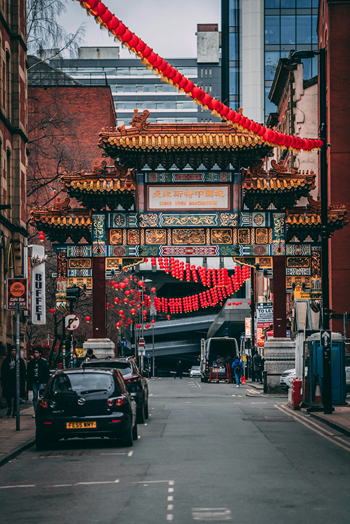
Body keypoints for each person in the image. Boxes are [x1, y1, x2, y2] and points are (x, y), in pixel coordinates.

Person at [1, 346, 26, 417]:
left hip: (16, 381)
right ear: (10, 351)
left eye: (15, 350)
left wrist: (22, 380)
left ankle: (15, 410)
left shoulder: (20, 360)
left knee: (16, 396)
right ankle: (9, 408)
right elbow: (3, 371)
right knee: (8, 396)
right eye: (12, 350)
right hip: (8, 381)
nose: (13, 352)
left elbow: (23, 371)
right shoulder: (6, 360)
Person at [27, 348, 49, 414]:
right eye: (34, 353)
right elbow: (29, 372)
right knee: (35, 396)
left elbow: (46, 372)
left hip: (41, 381)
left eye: (36, 352)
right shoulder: (31, 362)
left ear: (39, 353)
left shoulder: (43, 361)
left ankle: (42, 411)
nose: (35, 354)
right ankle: (36, 411)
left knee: (42, 396)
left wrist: (45, 381)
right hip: (34, 381)